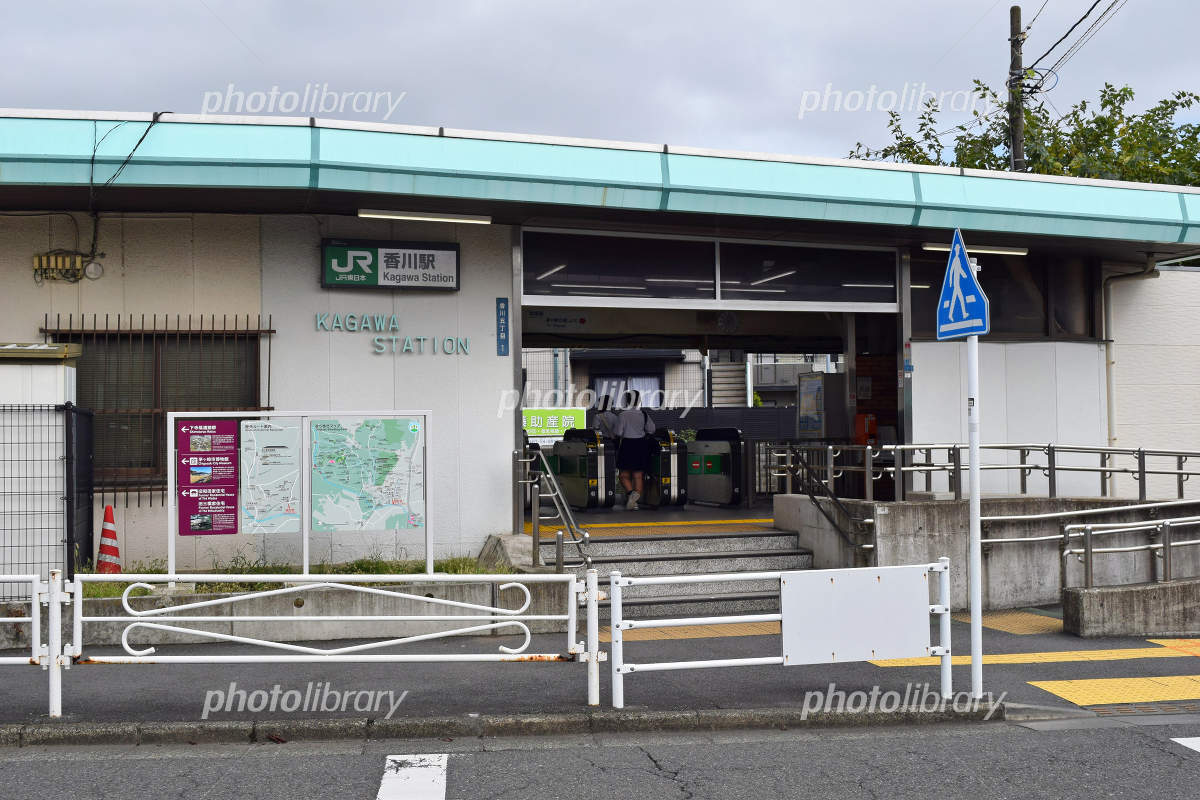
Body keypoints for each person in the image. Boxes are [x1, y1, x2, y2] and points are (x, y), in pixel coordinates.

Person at [613, 390, 656, 510]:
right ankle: (634, 501)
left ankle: (631, 495)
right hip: (641, 445)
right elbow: (652, 429)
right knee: (638, 475)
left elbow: (618, 432)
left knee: (623, 475)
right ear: (638, 400)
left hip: (627, 445)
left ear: (626, 400)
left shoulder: (623, 415)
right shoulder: (644, 414)